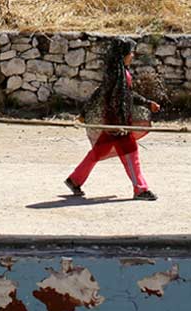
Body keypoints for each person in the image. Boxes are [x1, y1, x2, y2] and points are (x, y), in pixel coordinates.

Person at [65, 38, 160, 201]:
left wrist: (146, 103)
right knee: (131, 152)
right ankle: (140, 189)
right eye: (130, 52)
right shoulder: (116, 73)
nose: (132, 55)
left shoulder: (118, 71)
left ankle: (74, 180)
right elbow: (105, 95)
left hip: (115, 121)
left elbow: (125, 95)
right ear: (122, 54)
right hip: (117, 122)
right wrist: (116, 124)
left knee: (99, 151)